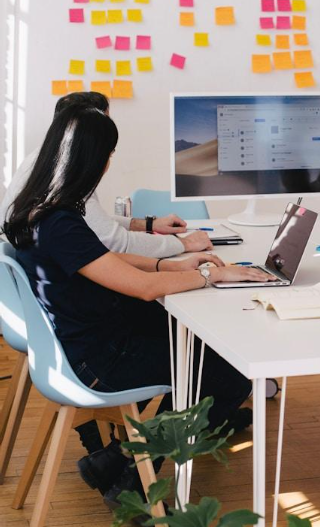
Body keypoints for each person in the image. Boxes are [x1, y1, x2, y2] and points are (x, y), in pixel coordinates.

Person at [3, 104, 272, 510]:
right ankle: (131, 477)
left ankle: (115, 458)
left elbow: (109, 262)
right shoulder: (61, 222)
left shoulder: (38, 210)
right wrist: (207, 276)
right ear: (95, 159)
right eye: (109, 155)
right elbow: (145, 288)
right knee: (226, 372)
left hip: (82, 341)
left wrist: (173, 264)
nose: (111, 164)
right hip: (96, 362)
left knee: (196, 346)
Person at [0, 91, 211, 258]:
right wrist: (184, 244)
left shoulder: (43, 161)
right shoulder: (64, 176)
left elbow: (90, 223)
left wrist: (148, 225)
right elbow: (116, 243)